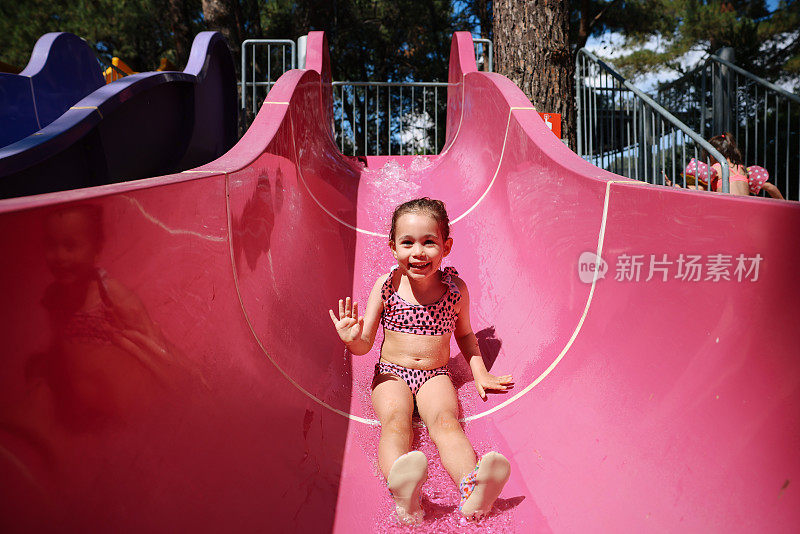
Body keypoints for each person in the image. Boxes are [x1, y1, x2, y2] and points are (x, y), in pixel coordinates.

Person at [328, 198, 513, 524]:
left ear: (446, 246)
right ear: (393, 247)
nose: (419, 251)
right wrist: (352, 339)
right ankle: (404, 493)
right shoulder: (386, 287)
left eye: (429, 242)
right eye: (408, 242)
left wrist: (480, 372)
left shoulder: (455, 290)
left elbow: (466, 336)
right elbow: (365, 344)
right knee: (396, 423)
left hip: (435, 375)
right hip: (391, 375)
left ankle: (472, 491)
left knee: (446, 423)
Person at [702, 133, 784, 199]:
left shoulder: (718, 168)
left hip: (729, 212)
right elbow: (771, 187)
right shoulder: (743, 170)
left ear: (714, 154)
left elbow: (699, 188)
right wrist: (785, 204)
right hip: (746, 212)